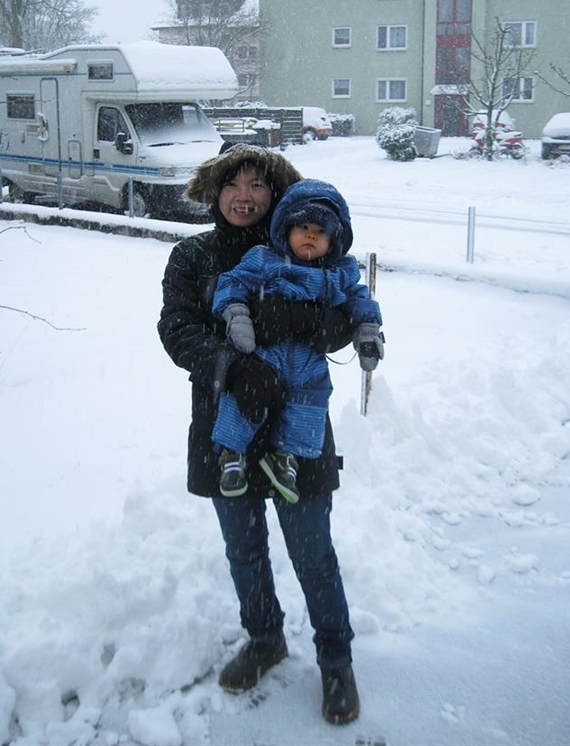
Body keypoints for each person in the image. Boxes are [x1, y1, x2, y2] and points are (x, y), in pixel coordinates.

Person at [157, 145, 362, 724]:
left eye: (257, 185)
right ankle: (265, 637)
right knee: (244, 549)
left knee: (311, 550)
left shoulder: (305, 239)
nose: (244, 196)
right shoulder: (192, 255)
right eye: (233, 184)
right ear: (215, 191)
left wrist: (307, 322)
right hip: (226, 424)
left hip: (296, 424)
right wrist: (233, 364)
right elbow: (176, 327)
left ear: (278, 195)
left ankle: (336, 659)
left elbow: (346, 316)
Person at [211, 178, 384, 504]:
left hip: (309, 357)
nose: (310, 235)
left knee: (314, 397)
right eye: (302, 226)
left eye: (320, 231)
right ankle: (231, 454)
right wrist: (238, 314)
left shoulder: (339, 272)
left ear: (333, 241)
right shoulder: (265, 260)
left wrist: (366, 331)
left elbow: (359, 301)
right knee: (246, 392)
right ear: (285, 230)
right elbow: (232, 283)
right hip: (266, 351)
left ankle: (287, 458)